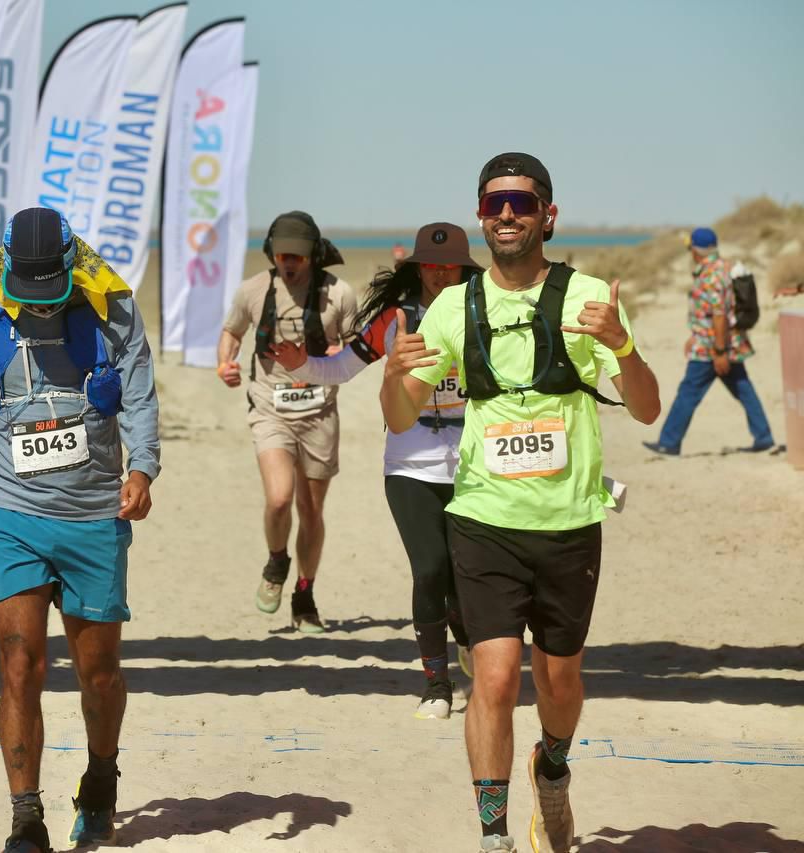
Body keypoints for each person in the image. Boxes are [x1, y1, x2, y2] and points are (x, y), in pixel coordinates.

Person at [379, 153, 660, 853]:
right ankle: (494, 834)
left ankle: (554, 768)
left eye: (522, 203)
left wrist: (622, 344)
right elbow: (399, 418)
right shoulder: (455, 305)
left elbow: (649, 408)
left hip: (569, 523)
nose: (508, 213)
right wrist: (394, 374)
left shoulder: (589, 296)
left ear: (548, 216)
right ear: (481, 216)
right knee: (496, 678)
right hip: (483, 519)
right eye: (495, 202)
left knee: (560, 679)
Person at [0, 207, 160, 852]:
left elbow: (141, 396)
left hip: (94, 515)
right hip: (9, 515)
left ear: (71, 265)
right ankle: (25, 816)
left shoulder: (113, 311)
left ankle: (100, 775)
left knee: (97, 673)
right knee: (19, 666)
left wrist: (143, 468)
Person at [267, 222, 482, 718]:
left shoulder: (482, 315)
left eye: (448, 265)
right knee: (429, 568)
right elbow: (342, 368)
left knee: (462, 574)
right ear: (418, 268)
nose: (438, 273)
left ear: (465, 270)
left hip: (474, 460)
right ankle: (436, 684)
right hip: (410, 461)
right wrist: (303, 363)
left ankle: (468, 636)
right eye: (429, 264)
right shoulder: (397, 318)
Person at [217, 211, 358, 632]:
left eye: (297, 256)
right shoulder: (254, 290)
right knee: (279, 498)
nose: (289, 263)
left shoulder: (340, 294)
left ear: (313, 255)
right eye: (282, 256)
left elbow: (357, 346)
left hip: (319, 413)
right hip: (270, 408)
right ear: (272, 254)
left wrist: (339, 357)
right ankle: (277, 562)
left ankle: (304, 594)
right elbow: (232, 332)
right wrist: (224, 363)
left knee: (310, 510)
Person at [644, 227, 775, 455]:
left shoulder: (712, 274)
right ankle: (764, 438)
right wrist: (695, 337)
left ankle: (668, 442)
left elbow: (719, 315)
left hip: (712, 348)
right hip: (719, 342)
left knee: (688, 392)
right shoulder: (719, 268)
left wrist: (720, 351)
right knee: (744, 389)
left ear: (695, 250)